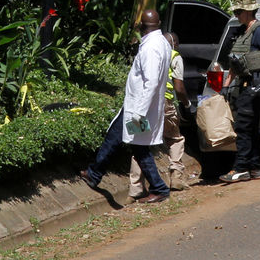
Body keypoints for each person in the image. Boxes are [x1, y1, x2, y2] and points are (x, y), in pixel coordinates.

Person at [80, 10, 172, 203]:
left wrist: (139, 113)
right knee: (135, 145)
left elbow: (152, 82)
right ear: (158, 23)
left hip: (139, 108)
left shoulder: (151, 48)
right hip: (139, 106)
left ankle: (95, 173)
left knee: (126, 141)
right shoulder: (162, 42)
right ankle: (95, 173)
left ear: (141, 27)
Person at [219, 0, 260, 183]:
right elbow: (237, 63)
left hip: (256, 84)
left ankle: (240, 167)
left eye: (238, 11)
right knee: (250, 128)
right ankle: (255, 167)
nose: (236, 14)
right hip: (245, 84)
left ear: (249, 11)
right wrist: (226, 86)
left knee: (242, 127)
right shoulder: (243, 32)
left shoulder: (259, 31)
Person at [128, 32, 192, 198]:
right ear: (175, 45)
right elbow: (179, 87)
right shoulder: (174, 57)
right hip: (165, 105)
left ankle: (135, 189)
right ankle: (176, 178)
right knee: (175, 138)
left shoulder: (145, 52)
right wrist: (187, 104)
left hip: (141, 104)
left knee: (138, 143)